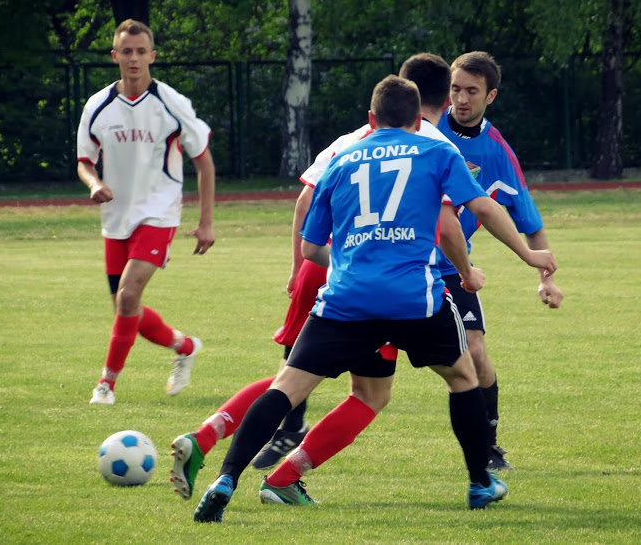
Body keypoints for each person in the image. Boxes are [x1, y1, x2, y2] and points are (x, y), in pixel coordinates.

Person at [192, 75, 557, 522]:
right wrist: (527, 254)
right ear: (418, 119)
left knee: (286, 388)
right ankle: (481, 483)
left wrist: (352, 261)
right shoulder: (438, 150)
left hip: (346, 300)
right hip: (413, 299)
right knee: (463, 377)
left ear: (372, 117)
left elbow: (311, 247)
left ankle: (225, 479)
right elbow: (481, 207)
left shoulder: (341, 160)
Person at [433, 51, 564, 468]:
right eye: (455, 89)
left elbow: (530, 222)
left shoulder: (497, 153)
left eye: (472, 91)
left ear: (491, 95)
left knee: (474, 351)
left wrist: (545, 278)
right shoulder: (426, 129)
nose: (461, 99)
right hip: (399, 260)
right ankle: (291, 423)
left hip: (453, 269)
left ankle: (488, 444)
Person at [77, 19, 215, 405]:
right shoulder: (98, 105)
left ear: (152, 56)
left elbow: (204, 163)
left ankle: (106, 385)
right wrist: (93, 183)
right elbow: (84, 161)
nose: (134, 58)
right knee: (126, 308)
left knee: (127, 296)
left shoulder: (171, 103)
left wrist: (205, 222)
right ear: (115, 56)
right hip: (115, 218)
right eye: (127, 51)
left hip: (159, 213)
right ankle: (185, 346)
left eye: (141, 51)